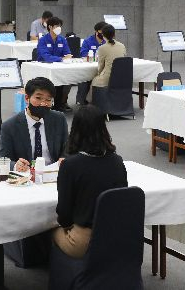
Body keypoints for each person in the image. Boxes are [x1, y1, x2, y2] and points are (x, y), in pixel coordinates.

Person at [53, 105, 128, 259]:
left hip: (84, 241)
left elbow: (64, 214)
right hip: (116, 236)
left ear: (75, 129)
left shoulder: (70, 165)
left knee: (47, 230)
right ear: (103, 128)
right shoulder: (117, 161)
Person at [0, 77, 68, 172]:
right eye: (38, 98)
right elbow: (4, 160)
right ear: (27, 98)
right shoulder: (9, 126)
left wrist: (64, 158)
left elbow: (68, 149)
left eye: (48, 100)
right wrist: (16, 165)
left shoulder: (59, 119)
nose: (43, 103)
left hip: (53, 172)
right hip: (26, 174)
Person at [37, 17, 72, 111]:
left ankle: (60, 104)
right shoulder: (43, 40)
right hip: (45, 67)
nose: (59, 28)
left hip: (59, 68)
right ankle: (51, 104)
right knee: (53, 83)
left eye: (60, 26)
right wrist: (61, 58)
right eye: (56, 26)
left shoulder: (62, 39)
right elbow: (46, 56)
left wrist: (66, 57)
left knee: (66, 80)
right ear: (50, 27)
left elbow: (68, 53)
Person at [88, 24, 126, 100]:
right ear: (114, 34)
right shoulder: (122, 46)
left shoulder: (102, 48)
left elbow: (100, 66)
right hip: (121, 77)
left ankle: (92, 101)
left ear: (103, 35)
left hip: (108, 78)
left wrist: (99, 74)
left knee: (94, 80)